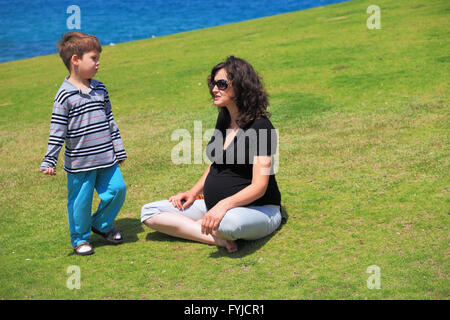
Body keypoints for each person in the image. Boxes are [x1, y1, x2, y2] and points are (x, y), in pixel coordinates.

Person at [141, 56, 281, 253]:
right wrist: (193, 192)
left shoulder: (261, 127)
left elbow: (259, 186)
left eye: (222, 84)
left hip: (258, 210)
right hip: (213, 207)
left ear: (241, 86)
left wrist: (224, 205)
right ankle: (216, 239)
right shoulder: (224, 119)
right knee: (149, 211)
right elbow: (216, 164)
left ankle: (209, 227)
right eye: (214, 84)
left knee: (228, 224)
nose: (215, 89)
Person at [40, 32, 127, 256]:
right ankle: (80, 239)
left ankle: (102, 224)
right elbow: (57, 131)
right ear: (75, 60)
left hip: (107, 157)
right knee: (80, 203)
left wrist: (118, 148)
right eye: (94, 58)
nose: (98, 63)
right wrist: (50, 158)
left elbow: (110, 120)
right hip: (80, 163)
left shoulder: (100, 89)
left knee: (117, 190)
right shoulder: (64, 96)